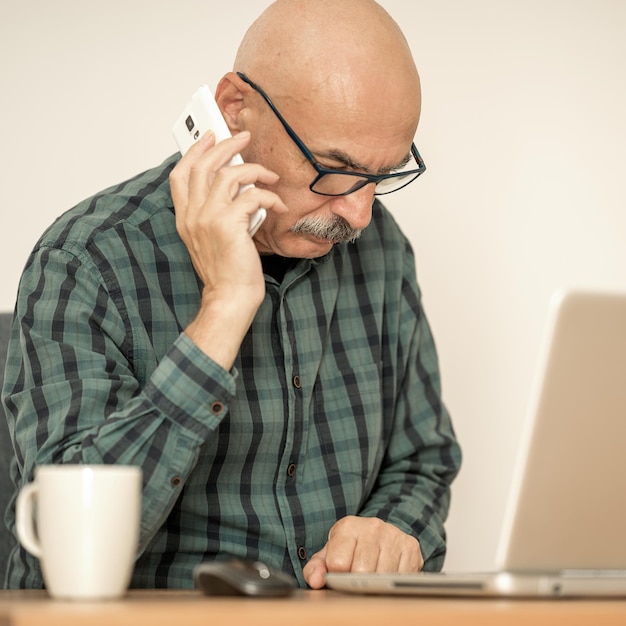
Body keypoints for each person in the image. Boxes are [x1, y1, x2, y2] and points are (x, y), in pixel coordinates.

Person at [2, 0, 461, 590]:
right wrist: (224, 307)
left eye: (383, 175)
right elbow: (60, 555)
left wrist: (392, 531)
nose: (360, 213)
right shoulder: (86, 260)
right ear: (234, 109)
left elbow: (423, 460)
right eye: (333, 168)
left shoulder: (381, 250)